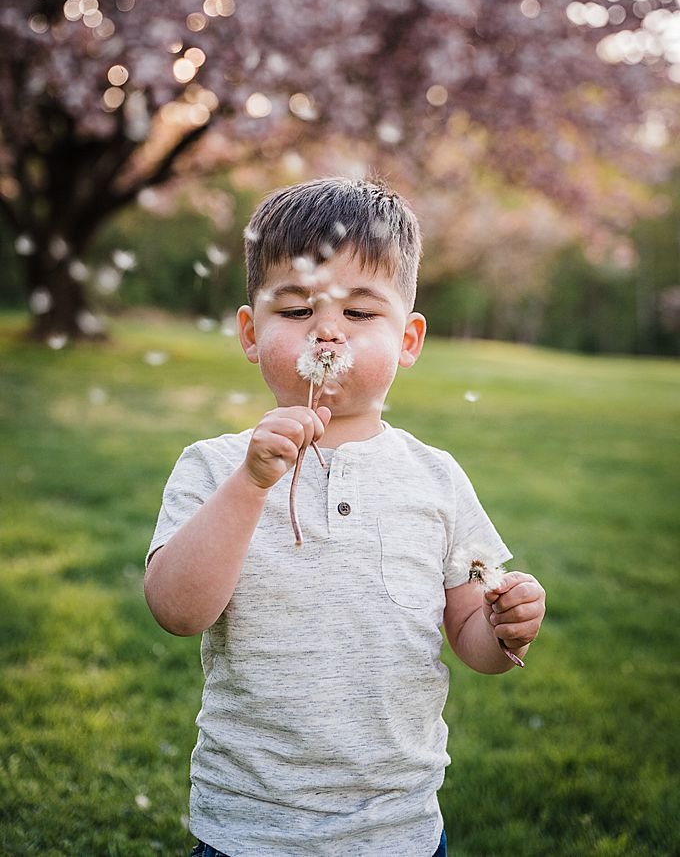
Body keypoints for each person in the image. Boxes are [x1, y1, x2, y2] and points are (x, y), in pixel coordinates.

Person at [144, 177, 546, 857]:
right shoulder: (215, 467)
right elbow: (178, 612)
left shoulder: (436, 479)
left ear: (409, 339)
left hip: (398, 827)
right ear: (250, 332)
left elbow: (471, 638)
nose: (328, 329)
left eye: (361, 314)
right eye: (297, 308)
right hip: (251, 825)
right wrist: (252, 483)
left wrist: (505, 627)